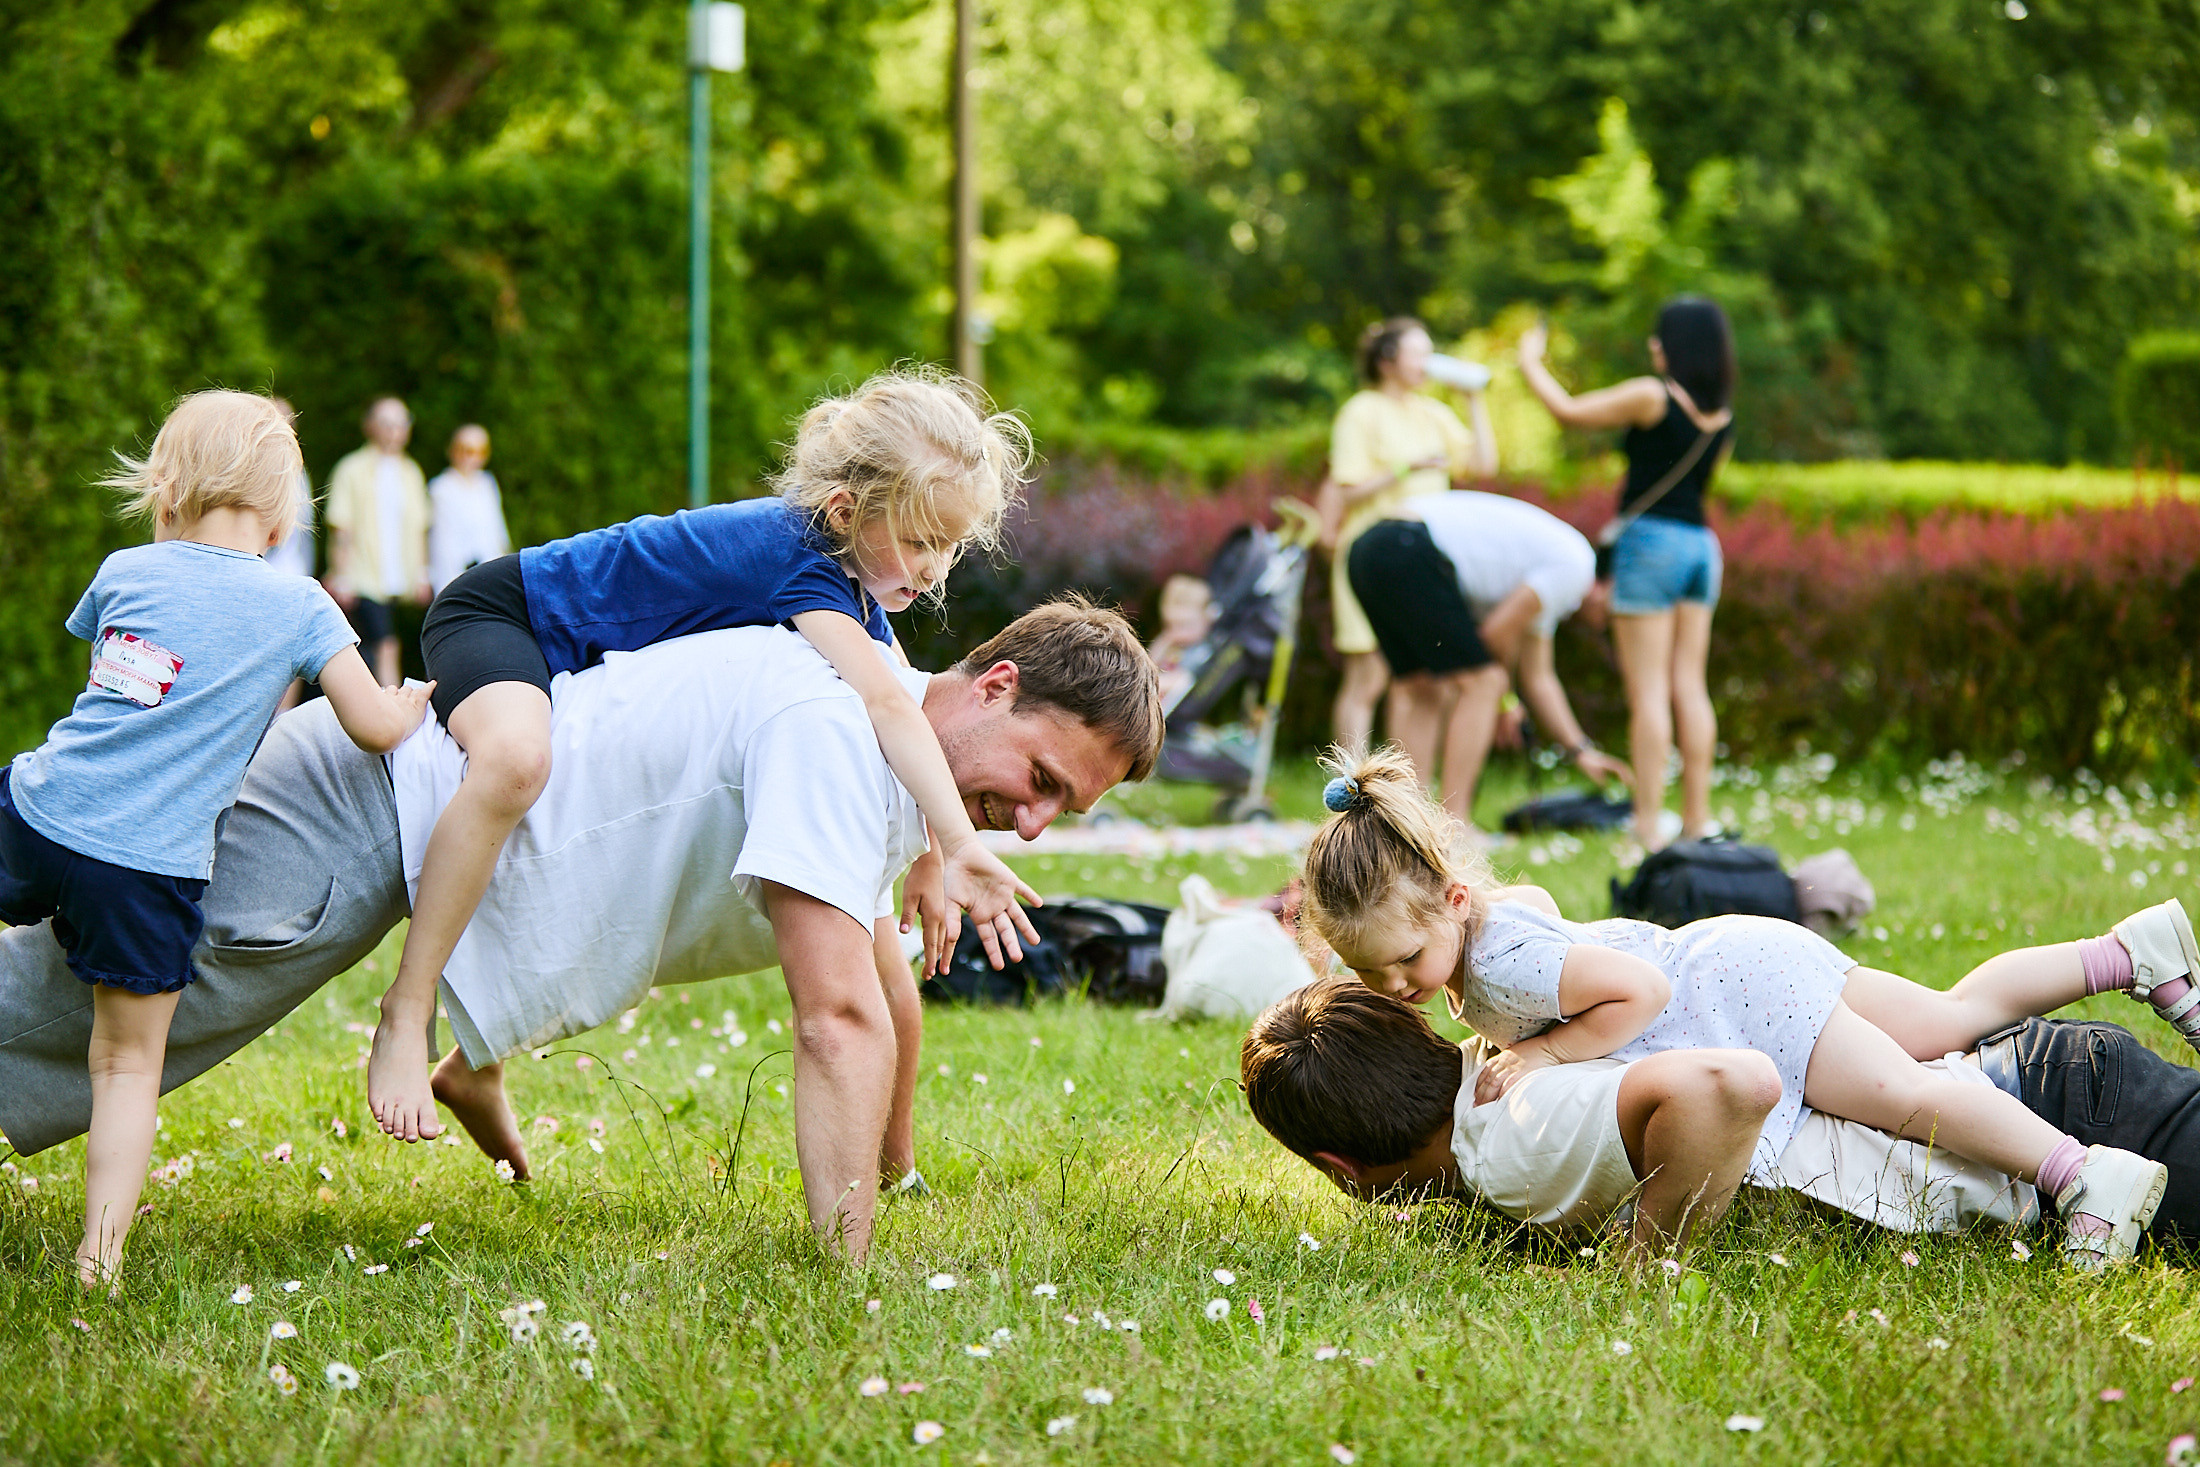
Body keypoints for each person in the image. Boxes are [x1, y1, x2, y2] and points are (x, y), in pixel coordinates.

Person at [0, 599, 1162, 1260]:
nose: (1039, 826)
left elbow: (878, 981)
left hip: (403, 828)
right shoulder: (839, 733)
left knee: (89, 1029)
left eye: (1068, 811)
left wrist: (898, 1177)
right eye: (1046, 781)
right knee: (70, 1016)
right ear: (997, 685)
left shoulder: (883, 751)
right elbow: (838, 1019)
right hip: (365, 808)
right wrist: (848, 1271)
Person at [366, 369, 1046, 1145]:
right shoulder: (804, 563)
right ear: (845, 510)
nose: (936, 568)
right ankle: (406, 1009)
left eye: (952, 545)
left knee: (581, 835)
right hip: (500, 616)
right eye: (923, 540)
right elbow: (890, 706)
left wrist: (924, 854)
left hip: (567, 662)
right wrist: (957, 841)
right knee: (517, 764)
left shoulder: (851, 583)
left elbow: (896, 706)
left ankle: (473, 1065)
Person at [1298, 747, 2194, 1269]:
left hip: (1740, 1003)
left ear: (1453, 899)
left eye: (1405, 961)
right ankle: (2126, 952)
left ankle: (2078, 1177)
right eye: (1371, 975)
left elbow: (1638, 993)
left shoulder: (1502, 971)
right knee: (1952, 1016)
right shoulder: (1488, 926)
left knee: (1903, 1093)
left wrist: (1549, 1054)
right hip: (1741, 957)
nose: (1396, 989)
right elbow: (1536, 900)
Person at [0, 390, 430, 1285]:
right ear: (280, 518)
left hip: (42, 813)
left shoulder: (126, 571)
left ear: (165, 486)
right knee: (124, 1064)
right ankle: (98, 1260)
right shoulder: (303, 606)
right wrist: (407, 703)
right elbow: (370, 729)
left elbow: (117, 698)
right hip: (148, 872)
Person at [1244, 983, 2200, 1251]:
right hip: (2024, 1085)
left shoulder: (1512, 1143)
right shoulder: (1496, 1049)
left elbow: (1727, 1085)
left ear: (1339, 1165)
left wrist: (1646, 1260)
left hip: (2053, 1114)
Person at [1518, 299, 1733, 850]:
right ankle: (1696, 820)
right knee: (1691, 684)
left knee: (1649, 694)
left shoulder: (1652, 395)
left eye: (1661, 337)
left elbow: (1568, 412)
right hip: (1702, 548)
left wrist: (1529, 364)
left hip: (1653, 544)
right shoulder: (1722, 418)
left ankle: (1646, 826)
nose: (1654, 347)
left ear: (1679, 345)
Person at [1345, 489, 1630, 829]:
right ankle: (1455, 825)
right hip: (1408, 547)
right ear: (1606, 586)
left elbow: (1539, 679)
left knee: (1421, 688)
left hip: (1369, 550)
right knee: (1483, 683)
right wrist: (1500, 700)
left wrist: (1580, 751)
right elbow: (1496, 636)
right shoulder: (1574, 568)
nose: (1613, 620)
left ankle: (1404, 825)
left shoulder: (1556, 575)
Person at [1325, 318, 1497, 756]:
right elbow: (1347, 489)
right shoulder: (1361, 410)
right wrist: (1407, 468)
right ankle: (1350, 783)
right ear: (1387, 361)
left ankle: (1399, 792)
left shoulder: (1433, 413)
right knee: (1369, 677)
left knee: (1420, 681)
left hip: (1420, 565)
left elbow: (1483, 466)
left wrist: (1474, 401)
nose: (1427, 362)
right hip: (1370, 558)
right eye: (1417, 352)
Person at [325, 397, 432, 687]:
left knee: (375, 648)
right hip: (363, 576)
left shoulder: (411, 472)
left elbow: (420, 527)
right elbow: (341, 527)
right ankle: (392, 708)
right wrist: (342, 575)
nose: (394, 430)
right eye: (386, 423)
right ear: (370, 426)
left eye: (400, 422)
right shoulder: (352, 469)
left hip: (398, 578)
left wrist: (422, 573)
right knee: (386, 644)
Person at [264, 398, 320, 713]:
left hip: (294, 572)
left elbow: (305, 533)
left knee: (292, 651)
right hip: (266, 573)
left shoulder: (300, 471)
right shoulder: (256, 470)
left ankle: (282, 718)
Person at [426, 424, 512, 596]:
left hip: (490, 571)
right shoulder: (440, 488)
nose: (470, 457)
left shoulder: (487, 484)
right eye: (464, 449)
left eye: (479, 451)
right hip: (454, 574)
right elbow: (440, 541)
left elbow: (497, 530)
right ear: (452, 450)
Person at [1148, 573, 1215, 708]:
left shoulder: (1201, 650)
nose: (1176, 633)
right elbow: (1149, 664)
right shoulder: (1171, 642)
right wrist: (1164, 640)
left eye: (1184, 626)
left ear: (1207, 618)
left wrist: (1151, 685)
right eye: (1169, 625)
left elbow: (1183, 681)